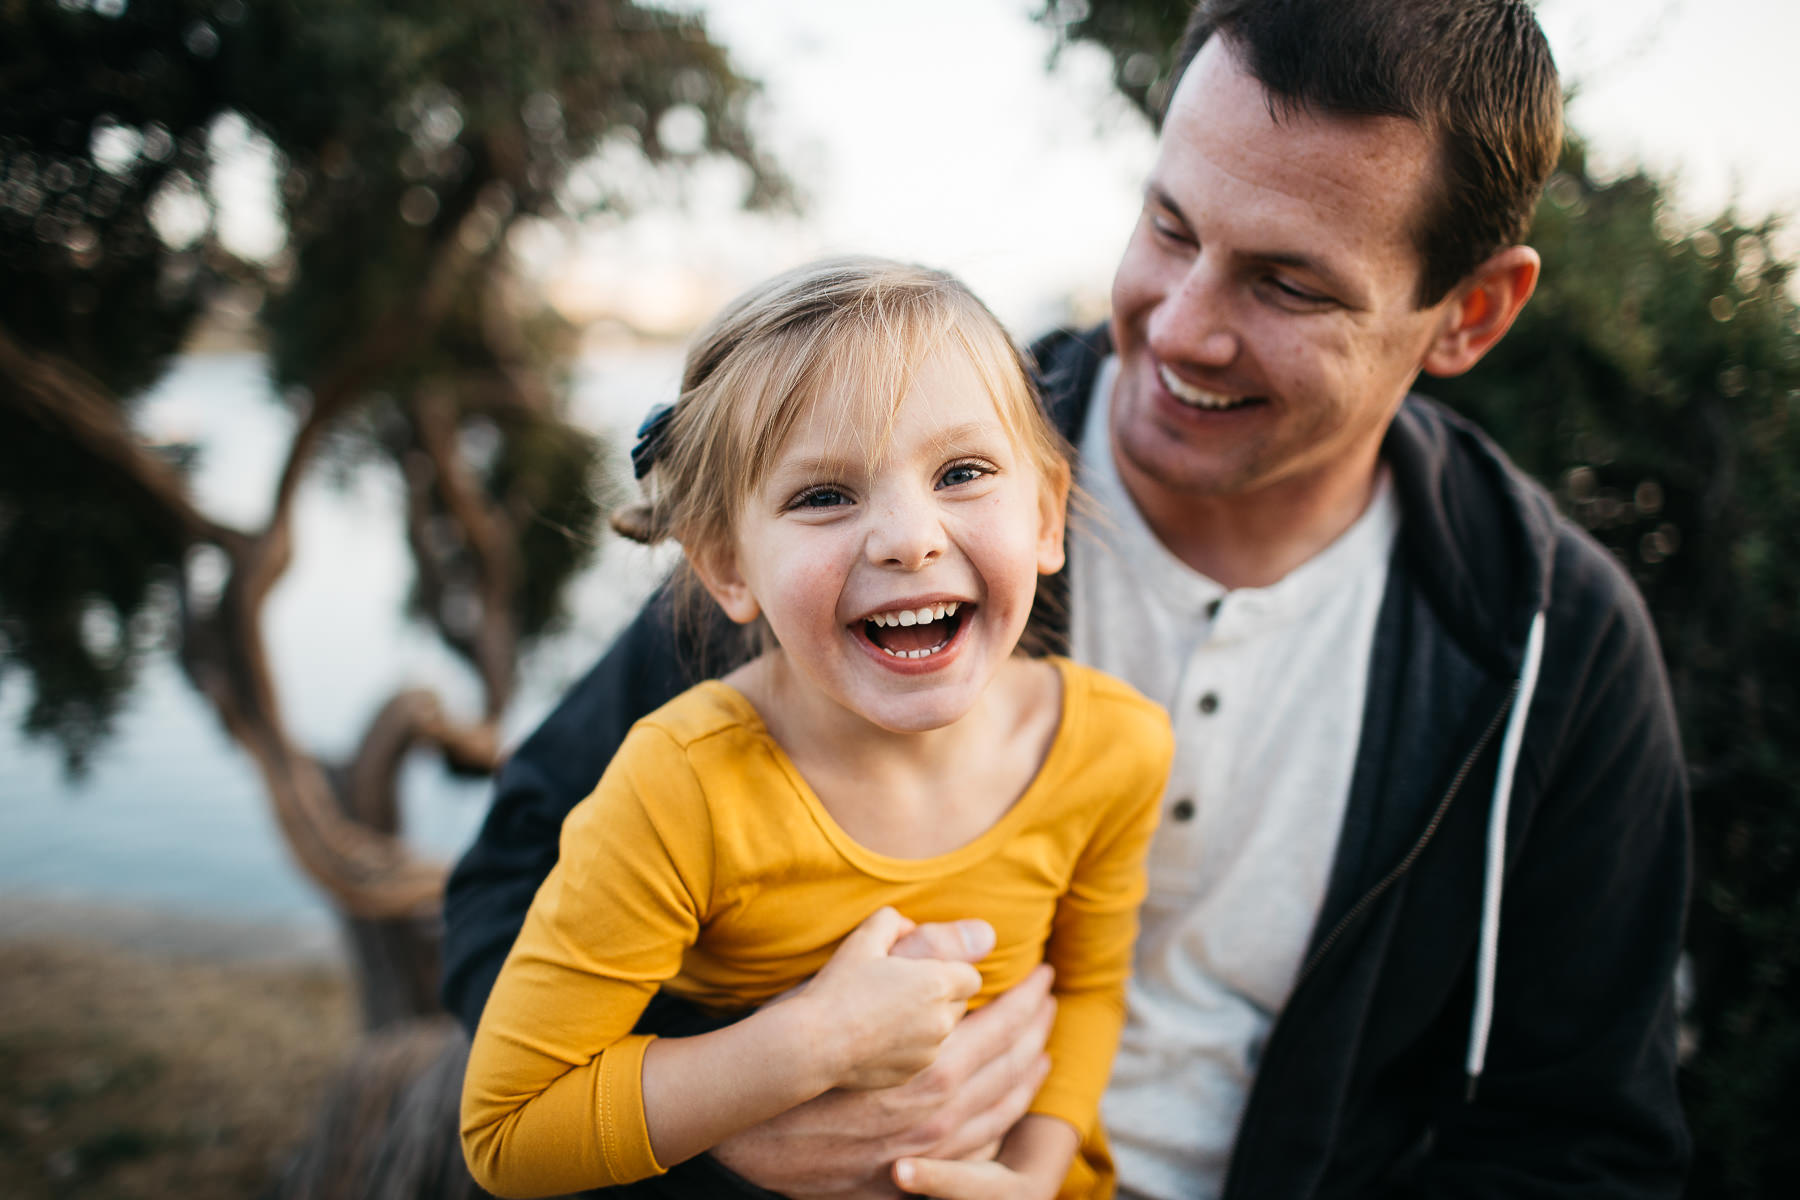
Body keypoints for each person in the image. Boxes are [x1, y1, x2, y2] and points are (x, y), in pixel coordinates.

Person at [443, 1, 1692, 1197]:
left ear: (1469, 312)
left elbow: (1575, 1144)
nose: (1180, 326)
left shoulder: (1553, 645)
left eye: (1289, 286)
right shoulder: (871, 478)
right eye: (1166, 225)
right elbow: (512, 892)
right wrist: (740, 1136)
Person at [456, 257, 1175, 1200]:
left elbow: (1086, 990)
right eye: (823, 495)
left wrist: (1037, 1178)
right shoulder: (682, 788)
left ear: (1045, 516)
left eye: (962, 472)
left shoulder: (1117, 747)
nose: (907, 538)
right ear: (726, 566)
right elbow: (509, 1131)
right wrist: (809, 1045)